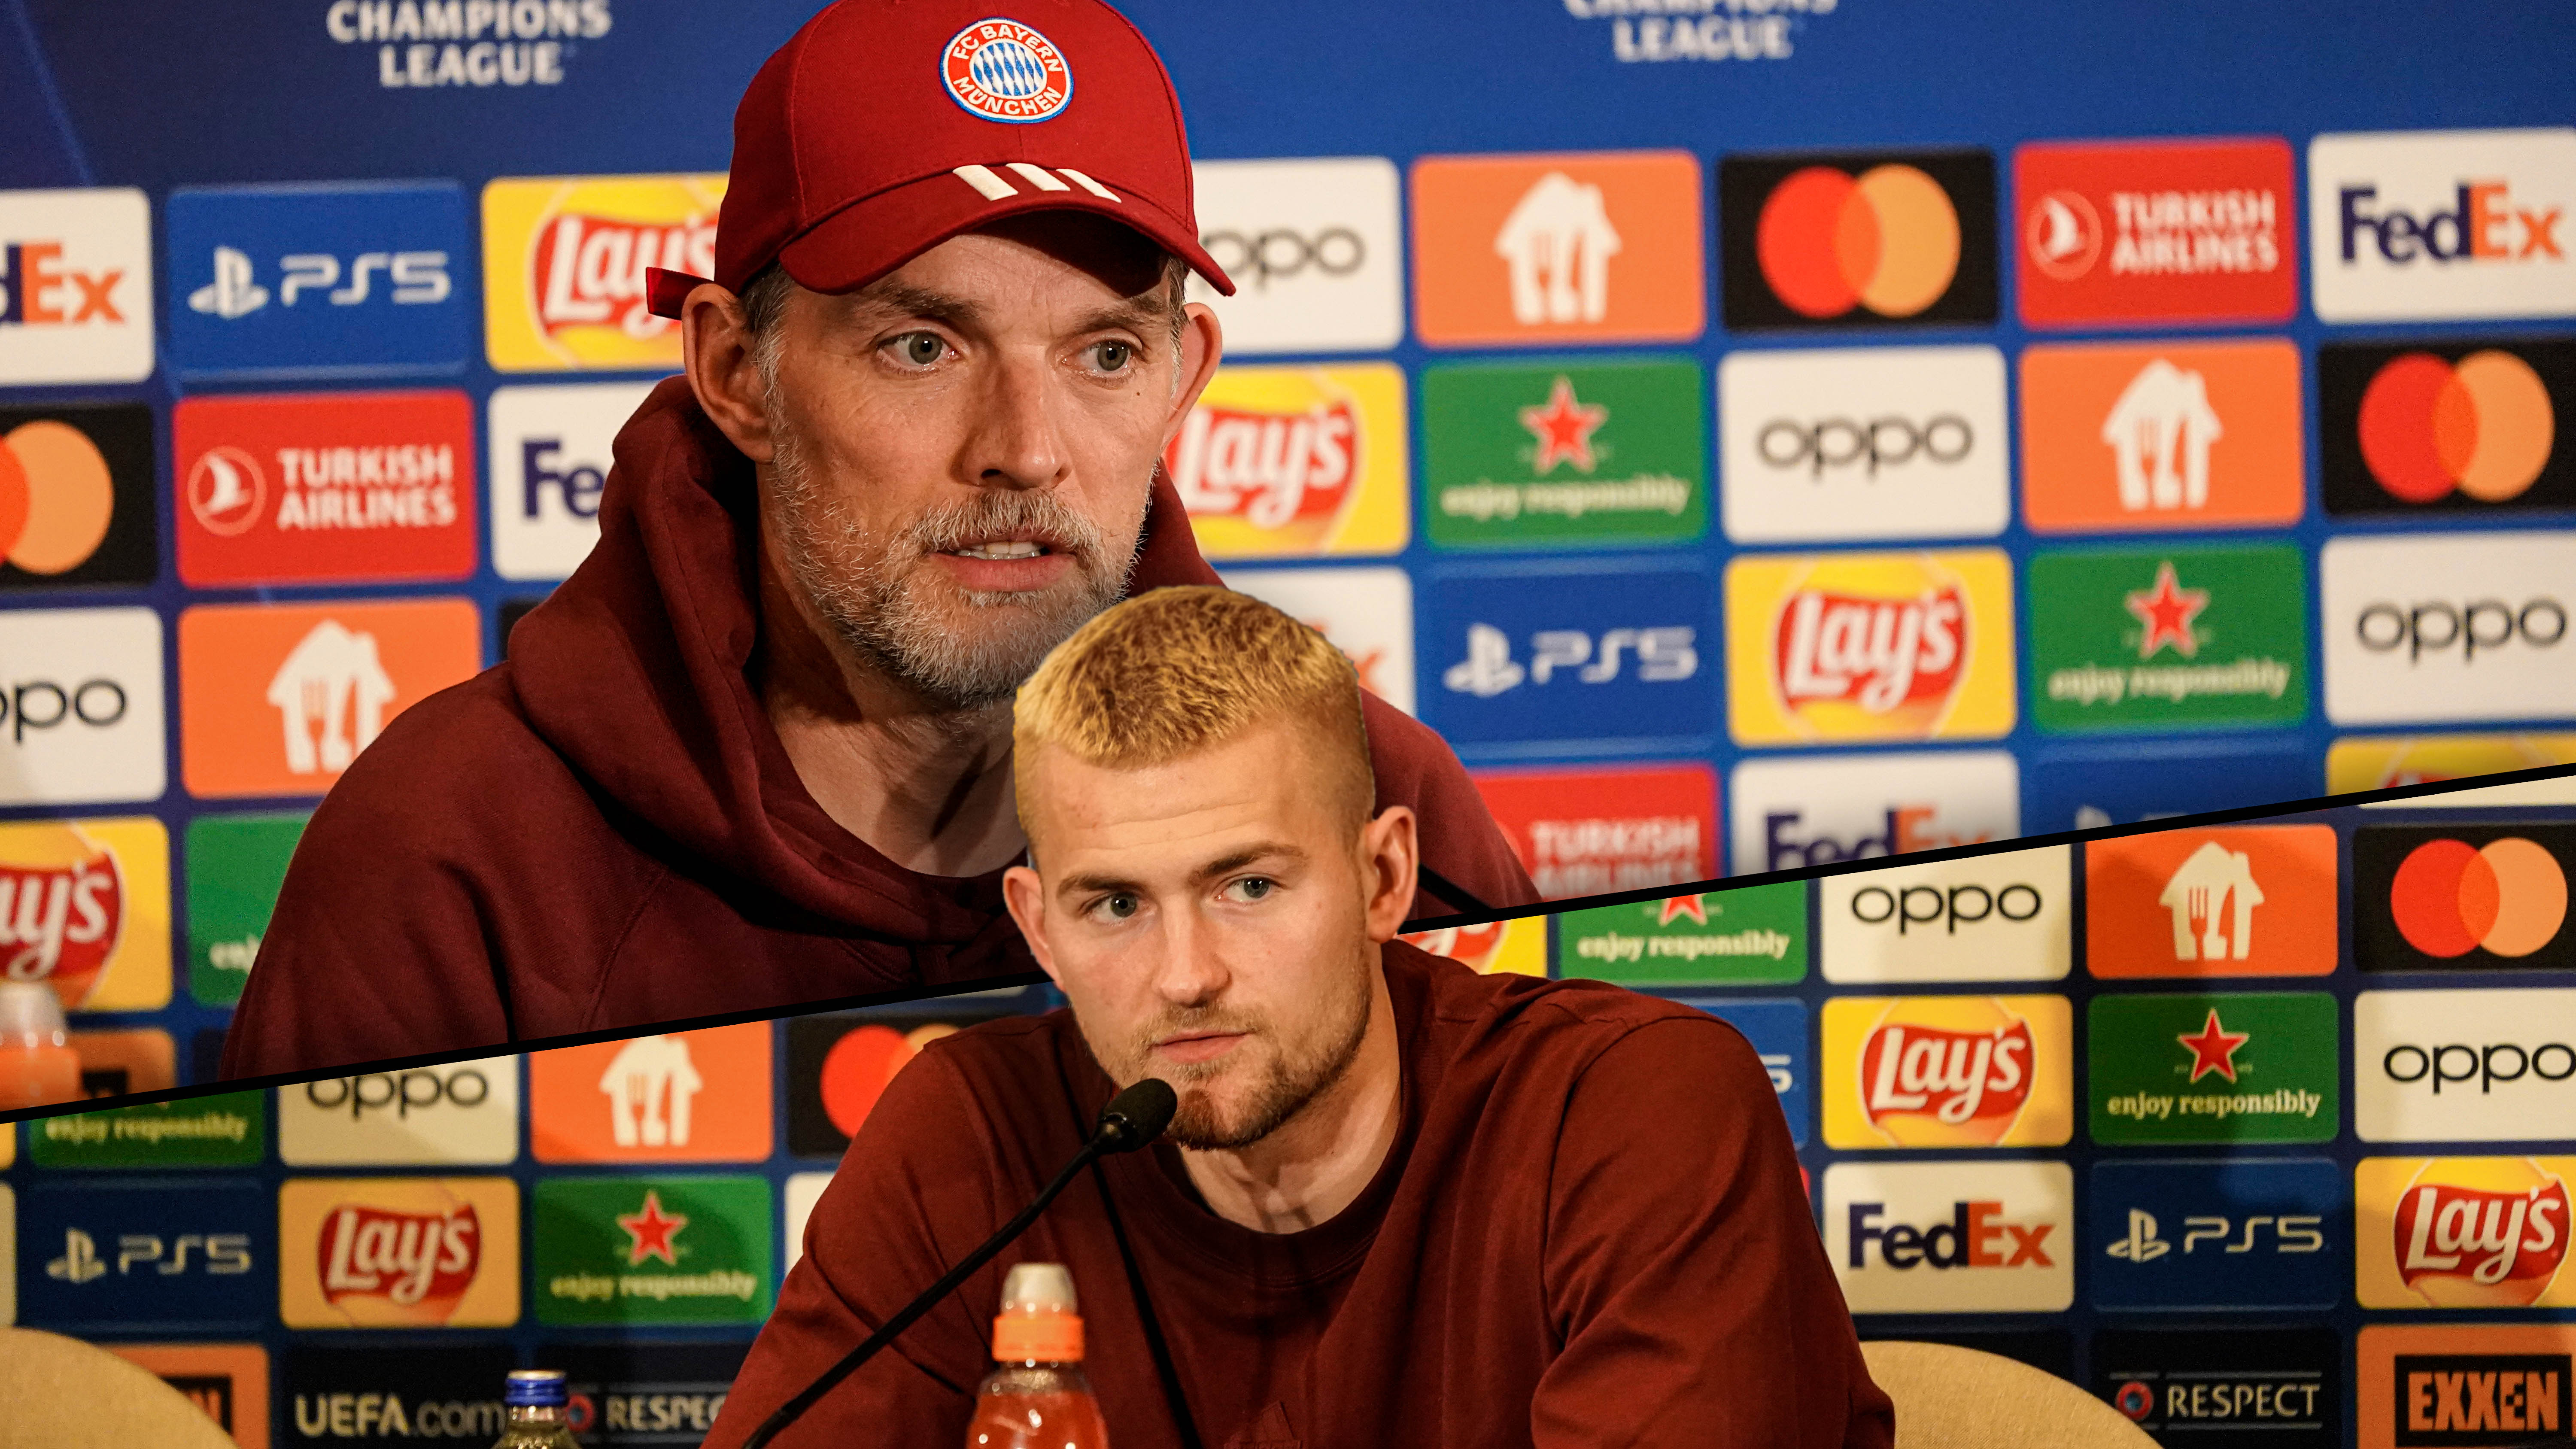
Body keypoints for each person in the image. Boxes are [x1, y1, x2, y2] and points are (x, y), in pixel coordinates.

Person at [219, 0, 1534, 1078]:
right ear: (739, 373)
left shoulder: (1368, 796)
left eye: (1106, 351)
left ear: (1183, 379)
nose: (1025, 446)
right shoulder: (461, 858)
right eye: (923, 345)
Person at [706, 587, 1893, 1449]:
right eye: (1115, 904)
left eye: (1249, 886)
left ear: (1385, 882)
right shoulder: (973, 1139)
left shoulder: (1630, 1107)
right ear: (1036, 928)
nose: (1185, 975)